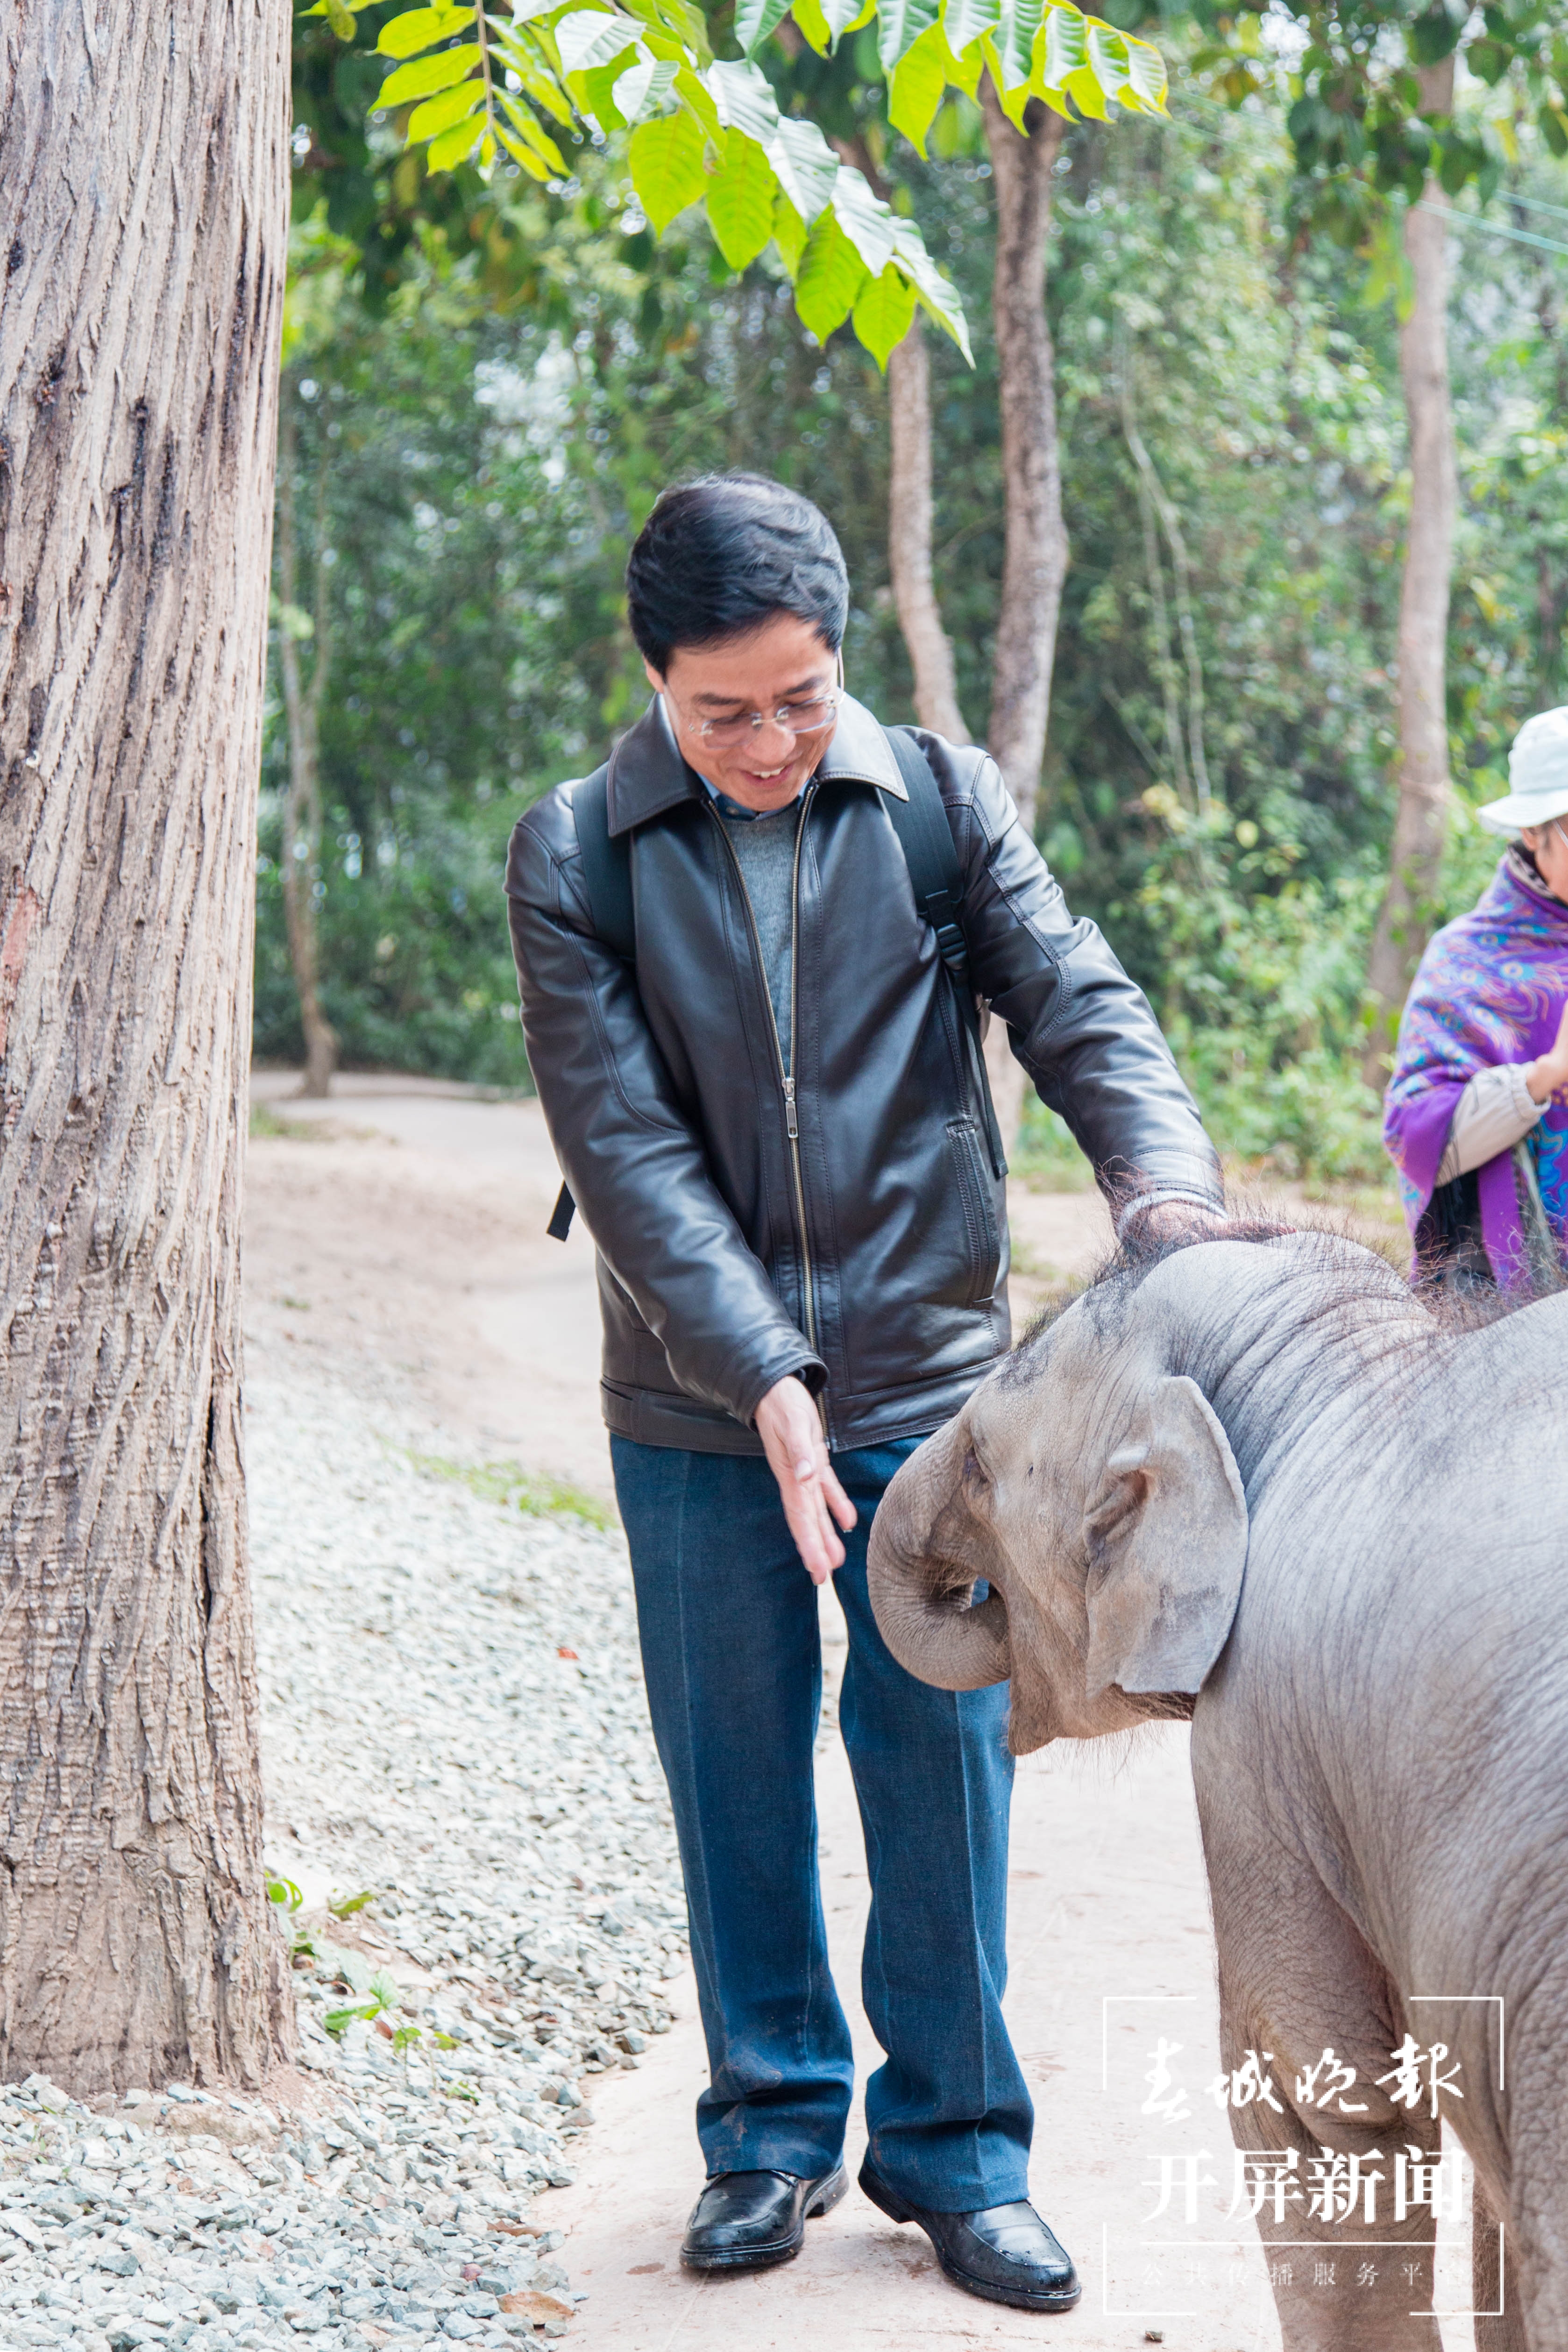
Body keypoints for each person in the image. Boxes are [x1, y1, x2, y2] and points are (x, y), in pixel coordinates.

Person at [504, 475, 1224, 2311]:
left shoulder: (937, 800)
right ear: (653, 677)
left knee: (940, 1764)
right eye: (719, 708)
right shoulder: (577, 851)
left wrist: (1161, 1187)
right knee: (730, 1770)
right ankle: (763, 2128)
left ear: (843, 659)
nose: (762, 741)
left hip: (927, 1382)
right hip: (693, 1401)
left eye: (798, 696)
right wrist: (755, 1367)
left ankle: (955, 2148)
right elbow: (627, 1144)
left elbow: (1072, 994)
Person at [1384, 706, 1568, 1293]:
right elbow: (1414, 1133)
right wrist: (1545, 1076)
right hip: (1513, 1301)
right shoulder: (1465, 959)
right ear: (1532, 832)